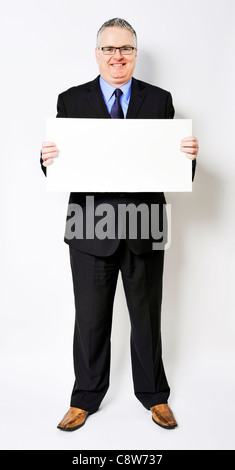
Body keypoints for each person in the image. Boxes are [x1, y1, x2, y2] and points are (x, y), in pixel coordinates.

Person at [40, 18, 199, 431]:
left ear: (135, 53)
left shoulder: (160, 99)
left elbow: (174, 167)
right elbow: (58, 169)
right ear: (97, 54)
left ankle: (154, 396)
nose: (117, 57)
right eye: (109, 49)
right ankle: (85, 398)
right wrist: (47, 160)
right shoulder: (71, 100)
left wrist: (188, 157)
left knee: (147, 318)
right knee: (90, 320)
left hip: (143, 225)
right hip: (90, 226)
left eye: (125, 49)